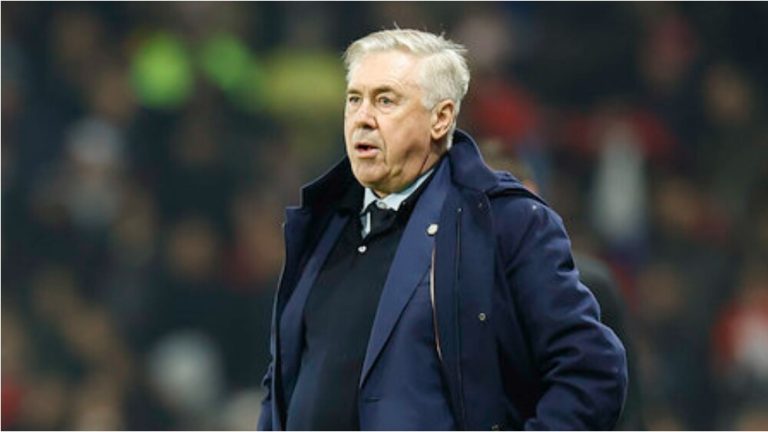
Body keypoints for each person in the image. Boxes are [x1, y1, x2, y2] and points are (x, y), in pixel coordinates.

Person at [258, 29, 627, 431]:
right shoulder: (320, 224)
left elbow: (591, 370)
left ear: (441, 118)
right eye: (354, 99)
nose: (363, 118)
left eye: (385, 100)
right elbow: (282, 383)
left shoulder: (505, 222)